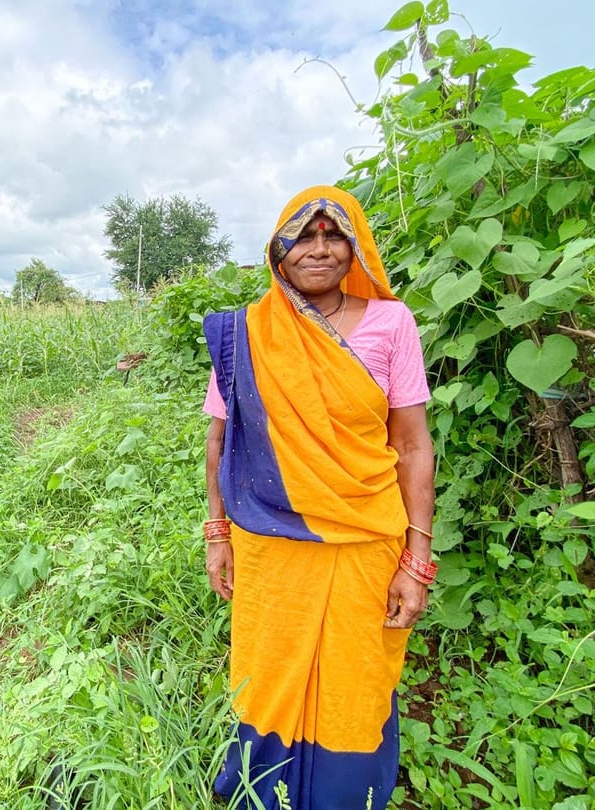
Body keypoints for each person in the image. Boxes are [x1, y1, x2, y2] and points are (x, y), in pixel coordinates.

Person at [201, 185, 436, 809]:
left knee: (355, 678)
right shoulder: (246, 336)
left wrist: (417, 560)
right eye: (304, 235)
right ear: (279, 249)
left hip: (367, 540)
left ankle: (343, 794)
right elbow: (220, 440)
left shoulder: (392, 322)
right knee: (271, 668)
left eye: (334, 235)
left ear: (354, 247)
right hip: (271, 543)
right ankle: (260, 792)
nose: (319, 248)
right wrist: (217, 533)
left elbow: (413, 446)